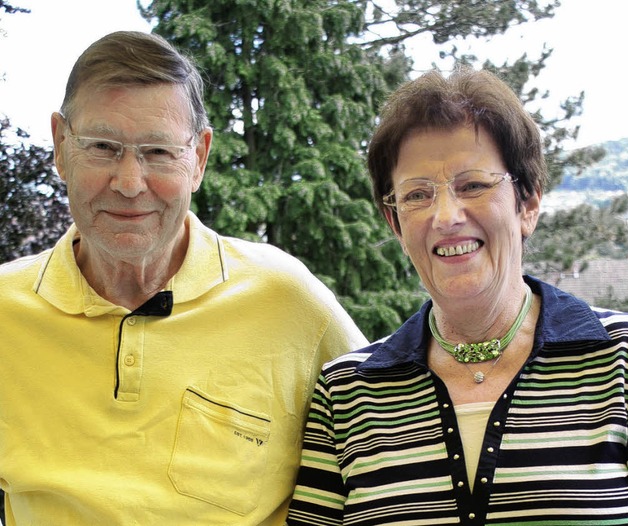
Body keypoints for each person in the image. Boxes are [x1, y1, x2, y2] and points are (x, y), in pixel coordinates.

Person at [0, 31, 367, 525]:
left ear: (199, 157)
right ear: (61, 146)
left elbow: (387, 450)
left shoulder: (287, 301)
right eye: (103, 146)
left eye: (158, 152)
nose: (129, 182)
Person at [286, 67, 628, 525]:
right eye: (417, 195)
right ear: (395, 224)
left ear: (528, 203)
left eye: (473, 185)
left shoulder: (626, 359)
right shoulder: (347, 392)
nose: (446, 216)